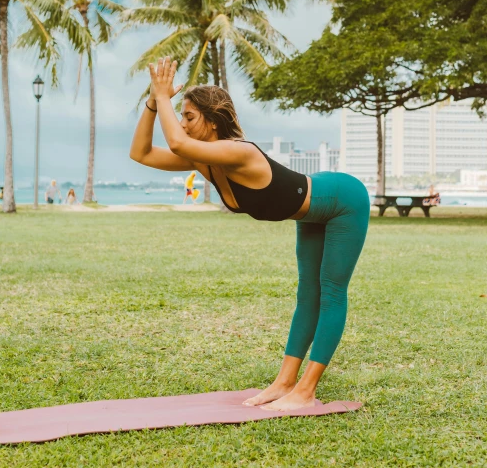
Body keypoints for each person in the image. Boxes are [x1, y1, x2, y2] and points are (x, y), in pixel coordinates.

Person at [130, 57, 370, 412]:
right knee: (308, 296)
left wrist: (164, 95)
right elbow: (141, 153)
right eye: (181, 116)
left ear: (212, 122)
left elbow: (177, 144)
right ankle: (284, 382)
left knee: (331, 293)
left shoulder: (239, 152)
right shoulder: (205, 160)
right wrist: (153, 101)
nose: (181, 123)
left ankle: (306, 390)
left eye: (189, 116)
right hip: (311, 210)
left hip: (342, 201)